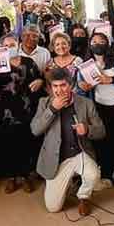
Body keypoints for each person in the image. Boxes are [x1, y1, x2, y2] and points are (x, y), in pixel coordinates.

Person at [31, 69, 106, 214]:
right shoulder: (44, 103)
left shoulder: (86, 103)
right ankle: (66, 183)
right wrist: (52, 109)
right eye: (55, 86)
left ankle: (84, 196)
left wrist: (87, 130)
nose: (59, 90)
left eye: (63, 85)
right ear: (50, 88)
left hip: (80, 153)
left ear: (71, 85)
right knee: (53, 208)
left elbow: (101, 131)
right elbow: (35, 129)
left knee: (93, 175)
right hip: (57, 159)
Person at [79, 31, 114, 194]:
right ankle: (107, 176)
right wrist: (84, 88)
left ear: (108, 43)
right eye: (94, 42)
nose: (97, 44)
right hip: (99, 107)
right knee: (103, 142)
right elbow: (80, 91)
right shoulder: (86, 65)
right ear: (90, 45)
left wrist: (111, 80)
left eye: (101, 41)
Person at [0, 34, 45, 192]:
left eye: (12, 44)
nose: (9, 48)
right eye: (6, 45)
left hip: (25, 109)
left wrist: (40, 81)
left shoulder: (29, 62)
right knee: (7, 144)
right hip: (3, 110)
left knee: (25, 142)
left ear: (18, 45)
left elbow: (40, 79)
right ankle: (12, 178)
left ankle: (26, 177)